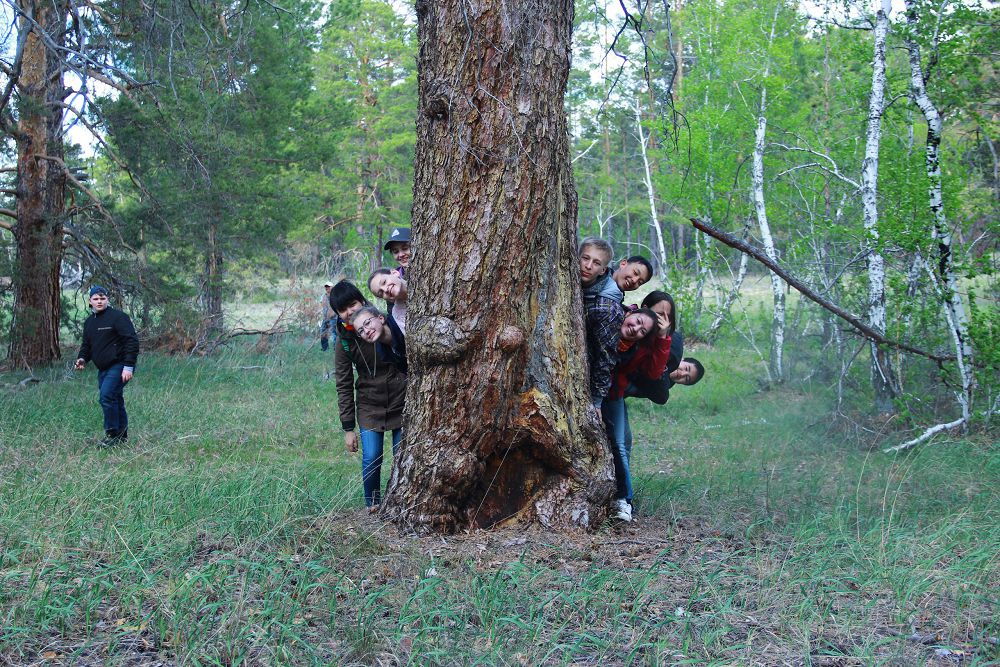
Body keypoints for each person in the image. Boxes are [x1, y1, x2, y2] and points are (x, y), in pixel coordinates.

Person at [331, 283, 406, 507]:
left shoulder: (381, 320)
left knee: (403, 457)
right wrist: (347, 428)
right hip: (369, 406)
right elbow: (343, 384)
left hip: (401, 400)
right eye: (342, 309)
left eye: (352, 304)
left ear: (362, 301)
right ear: (338, 314)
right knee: (372, 457)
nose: (350, 311)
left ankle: (401, 505)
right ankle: (372, 506)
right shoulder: (344, 340)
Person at [601, 308, 665, 522]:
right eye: (637, 321)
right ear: (630, 314)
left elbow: (654, 372)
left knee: (620, 444)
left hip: (612, 395)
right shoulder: (607, 320)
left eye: (642, 331)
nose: (635, 329)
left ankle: (624, 500)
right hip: (591, 390)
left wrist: (664, 337)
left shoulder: (637, 350)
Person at [74, 286, 140, 446]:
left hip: (119, 365)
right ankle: (121, 437)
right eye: (96, 299)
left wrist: (128, 366)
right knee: (115, 398)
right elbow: (87, 345)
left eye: (102, 298)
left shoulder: (118, 317)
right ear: (90, 301)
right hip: (103, 368)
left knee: (107, 396)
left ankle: (112, 434)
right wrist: (82, 358)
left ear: (107, 300)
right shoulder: (90, 322)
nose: (99, 301)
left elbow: (131, 341)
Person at [368, 268, 409, 334]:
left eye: (384, 282)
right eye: (381, 293)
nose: (385, 289)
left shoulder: (420, 277)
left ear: (395, 273)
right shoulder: (397, 313)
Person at [319, 282, 334, 351]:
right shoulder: (323, 296)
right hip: (325, 318)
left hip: (334, 318)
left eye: (328, 286)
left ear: (332, 287)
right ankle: (325, 349)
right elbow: (322, 306)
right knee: (323, 332)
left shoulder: (335, 296)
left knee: (335, 334)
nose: (327, 288)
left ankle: (336, 349)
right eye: (326, 287)